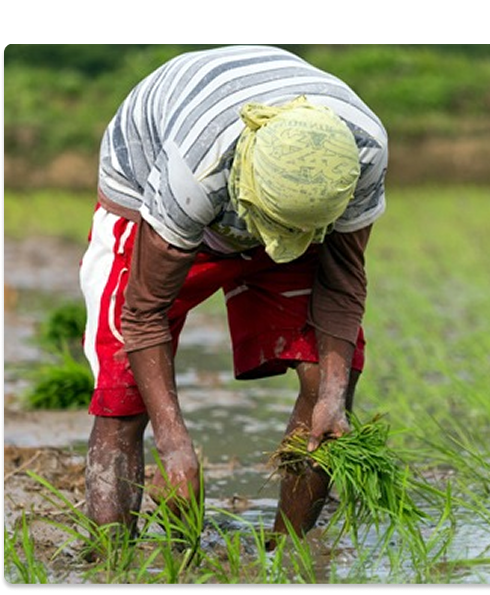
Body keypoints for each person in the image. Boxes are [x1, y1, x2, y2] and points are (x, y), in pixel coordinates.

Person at [81, 45, 388, 538]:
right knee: (125, 391)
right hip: (150, 195)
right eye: (278, 229)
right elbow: (143, 313)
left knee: (333, 377)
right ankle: (111, 562)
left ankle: (289, 555)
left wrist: (331, 396)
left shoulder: (362, 154)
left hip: (291, 196)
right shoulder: (195, 169)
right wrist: (175, 445)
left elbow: (342, 283)